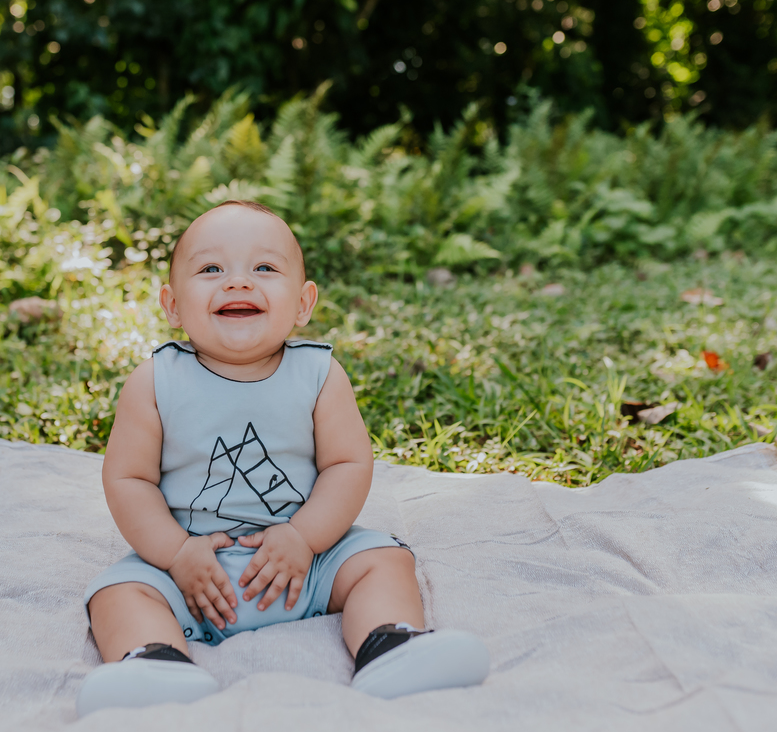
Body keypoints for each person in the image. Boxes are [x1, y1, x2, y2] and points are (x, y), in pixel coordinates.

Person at [76, 200, 488, 716]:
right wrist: (176, 554)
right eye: (210, 269)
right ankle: (154, 662)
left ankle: (390, 645)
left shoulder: (318, 375)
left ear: (303, 303)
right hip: (188, 571)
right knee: (117, 591)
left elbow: (348, 466)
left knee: (382, 560)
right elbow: (128, 479)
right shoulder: (155, 381)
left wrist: (304, 537)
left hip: (307, 562)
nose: (238, 283)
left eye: (265, 268)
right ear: (172, 304)